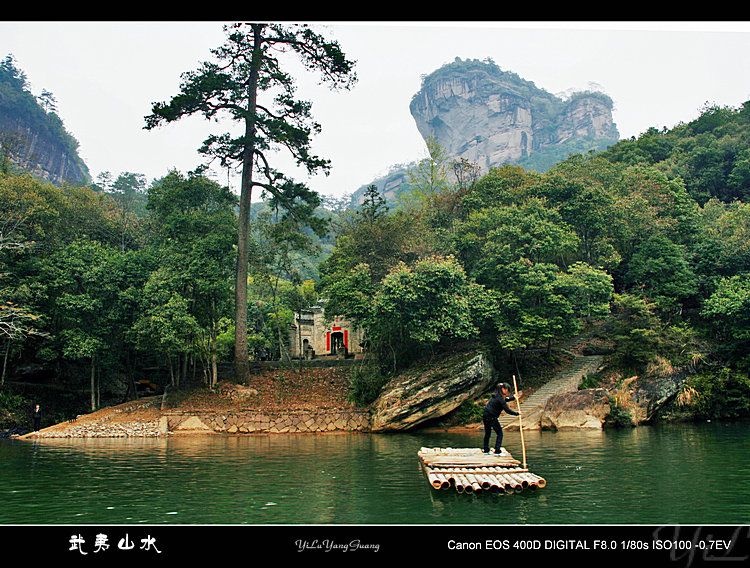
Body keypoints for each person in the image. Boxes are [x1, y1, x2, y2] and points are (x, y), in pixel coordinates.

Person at [482, 382, 520, 455]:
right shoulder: (500, 398)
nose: (507, 391)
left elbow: (505, 399)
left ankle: (486, 449)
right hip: (491, 416)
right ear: (503, 389)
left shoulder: (496, 395)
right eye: (506, 389)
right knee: (500, 433)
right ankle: (497, 450)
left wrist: (513, 397)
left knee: (488, 433)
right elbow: (507, 410)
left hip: (486, 415)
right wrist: (517, 413)